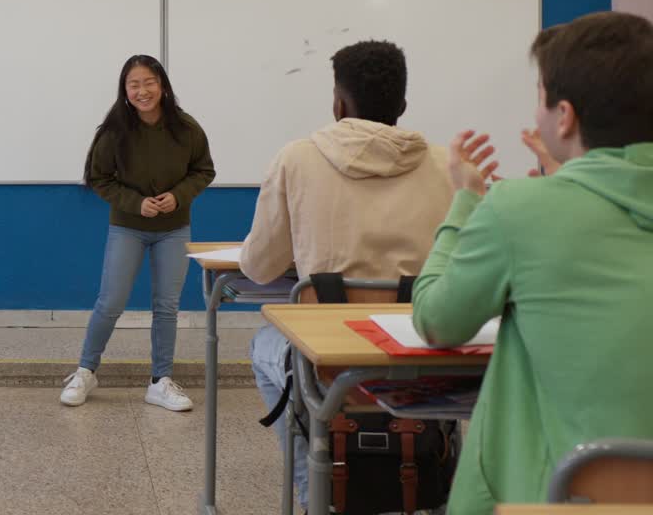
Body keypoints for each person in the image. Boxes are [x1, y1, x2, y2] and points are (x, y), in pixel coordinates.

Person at [413, 12, 653, 514]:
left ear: (563, 116)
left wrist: (466, 199)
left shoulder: (518, 208)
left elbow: (438, 320)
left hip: (561, 498)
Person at [239, 40, 452, 509]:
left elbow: (257, 267)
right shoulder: (450, 166)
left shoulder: (296, 159)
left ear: (338, 103)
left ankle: (313, 490)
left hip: (330, 366)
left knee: (263, 348)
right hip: (428, 361)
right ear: (402, 105)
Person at [60, 55, 215, 411]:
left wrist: (177, 197)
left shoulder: (187, 128)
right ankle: (86, 370)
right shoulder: (114, 132)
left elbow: (203, 171)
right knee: (111, 301)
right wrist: (134, 203)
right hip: (128, 226)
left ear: (162, 86)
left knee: (166, 306)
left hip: (174, 229)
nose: (142, 91)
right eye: (134, 84)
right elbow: (99, 179)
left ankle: (160, 381)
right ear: (125, 90)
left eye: (149, 82)